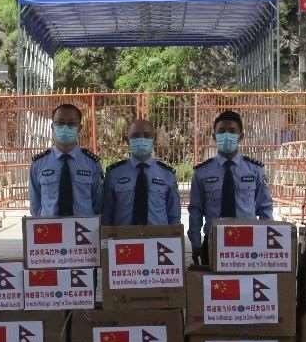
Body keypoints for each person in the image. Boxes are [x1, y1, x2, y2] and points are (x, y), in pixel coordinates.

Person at [187, 109, 273, 265]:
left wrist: (266, 241)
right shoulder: (202, 172)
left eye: (232, 131)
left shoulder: (255, 170)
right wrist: (195, 242)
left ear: (241, 136)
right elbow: (196, 210)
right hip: (213, 242)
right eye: (221, 131)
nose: (226, 135)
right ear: (214, 136)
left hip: (248, 242)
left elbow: (265, 208)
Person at [102, 118, 181, 226]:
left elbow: (174, 215)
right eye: (135, 136)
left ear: (154, 139)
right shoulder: (114, 174)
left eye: (147, 135)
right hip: (124, 235)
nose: (141, 139)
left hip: (159, 235)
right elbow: (107, 214)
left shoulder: (167, 174)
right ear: (127, 140)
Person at [29, 102, 103, 217]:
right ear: (52, 127)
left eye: (71, 123)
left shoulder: (92, 163)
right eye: (60, 123)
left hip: (83, 227)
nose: (65, 127)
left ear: (79, 128)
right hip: (50, 226)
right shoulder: (38, 164)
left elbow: (98, 203)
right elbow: (35, 205)